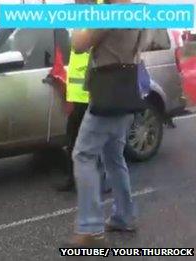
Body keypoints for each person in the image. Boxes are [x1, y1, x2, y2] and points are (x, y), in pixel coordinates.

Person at [65, 0, 150, 247]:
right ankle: (124, 216)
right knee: (114, 157)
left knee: (82, 155)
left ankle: (90, 228)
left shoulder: (109, 13)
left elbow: (79, 45)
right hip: (127, 93)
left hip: (107, 94)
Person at [56, 0, 110, 193]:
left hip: (94, 94)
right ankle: (74, 179)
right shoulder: (80, 18)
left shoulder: (99, 13)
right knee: (73, 140)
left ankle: (102, 181)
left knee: (97, 142)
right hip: (79, 95)